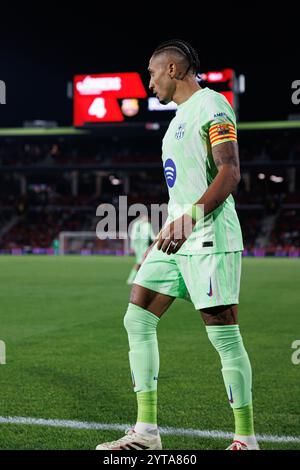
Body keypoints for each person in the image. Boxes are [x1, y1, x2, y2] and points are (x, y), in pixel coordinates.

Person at [96, 39, 258, 451]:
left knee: (223, 333)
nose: (148, 83)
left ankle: (246, 438)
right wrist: (164, 231)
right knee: (138, 316)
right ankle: (146, 432)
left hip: (210, 235)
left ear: (172, 69)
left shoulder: (213, 105)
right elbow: (182, 188)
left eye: (151, 73)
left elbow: (230, 172)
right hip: (176, 235)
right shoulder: (177, 119)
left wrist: (189, 218)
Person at [126, 215, 155, 285]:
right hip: (141, 247)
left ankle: (135, 279)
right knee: (141, 262)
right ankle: (132, 279)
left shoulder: (137, 224)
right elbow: (152, 236)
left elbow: (133, 235)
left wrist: (132, 246)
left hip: (140, 246)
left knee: (142, 262)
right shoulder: (143, 224)